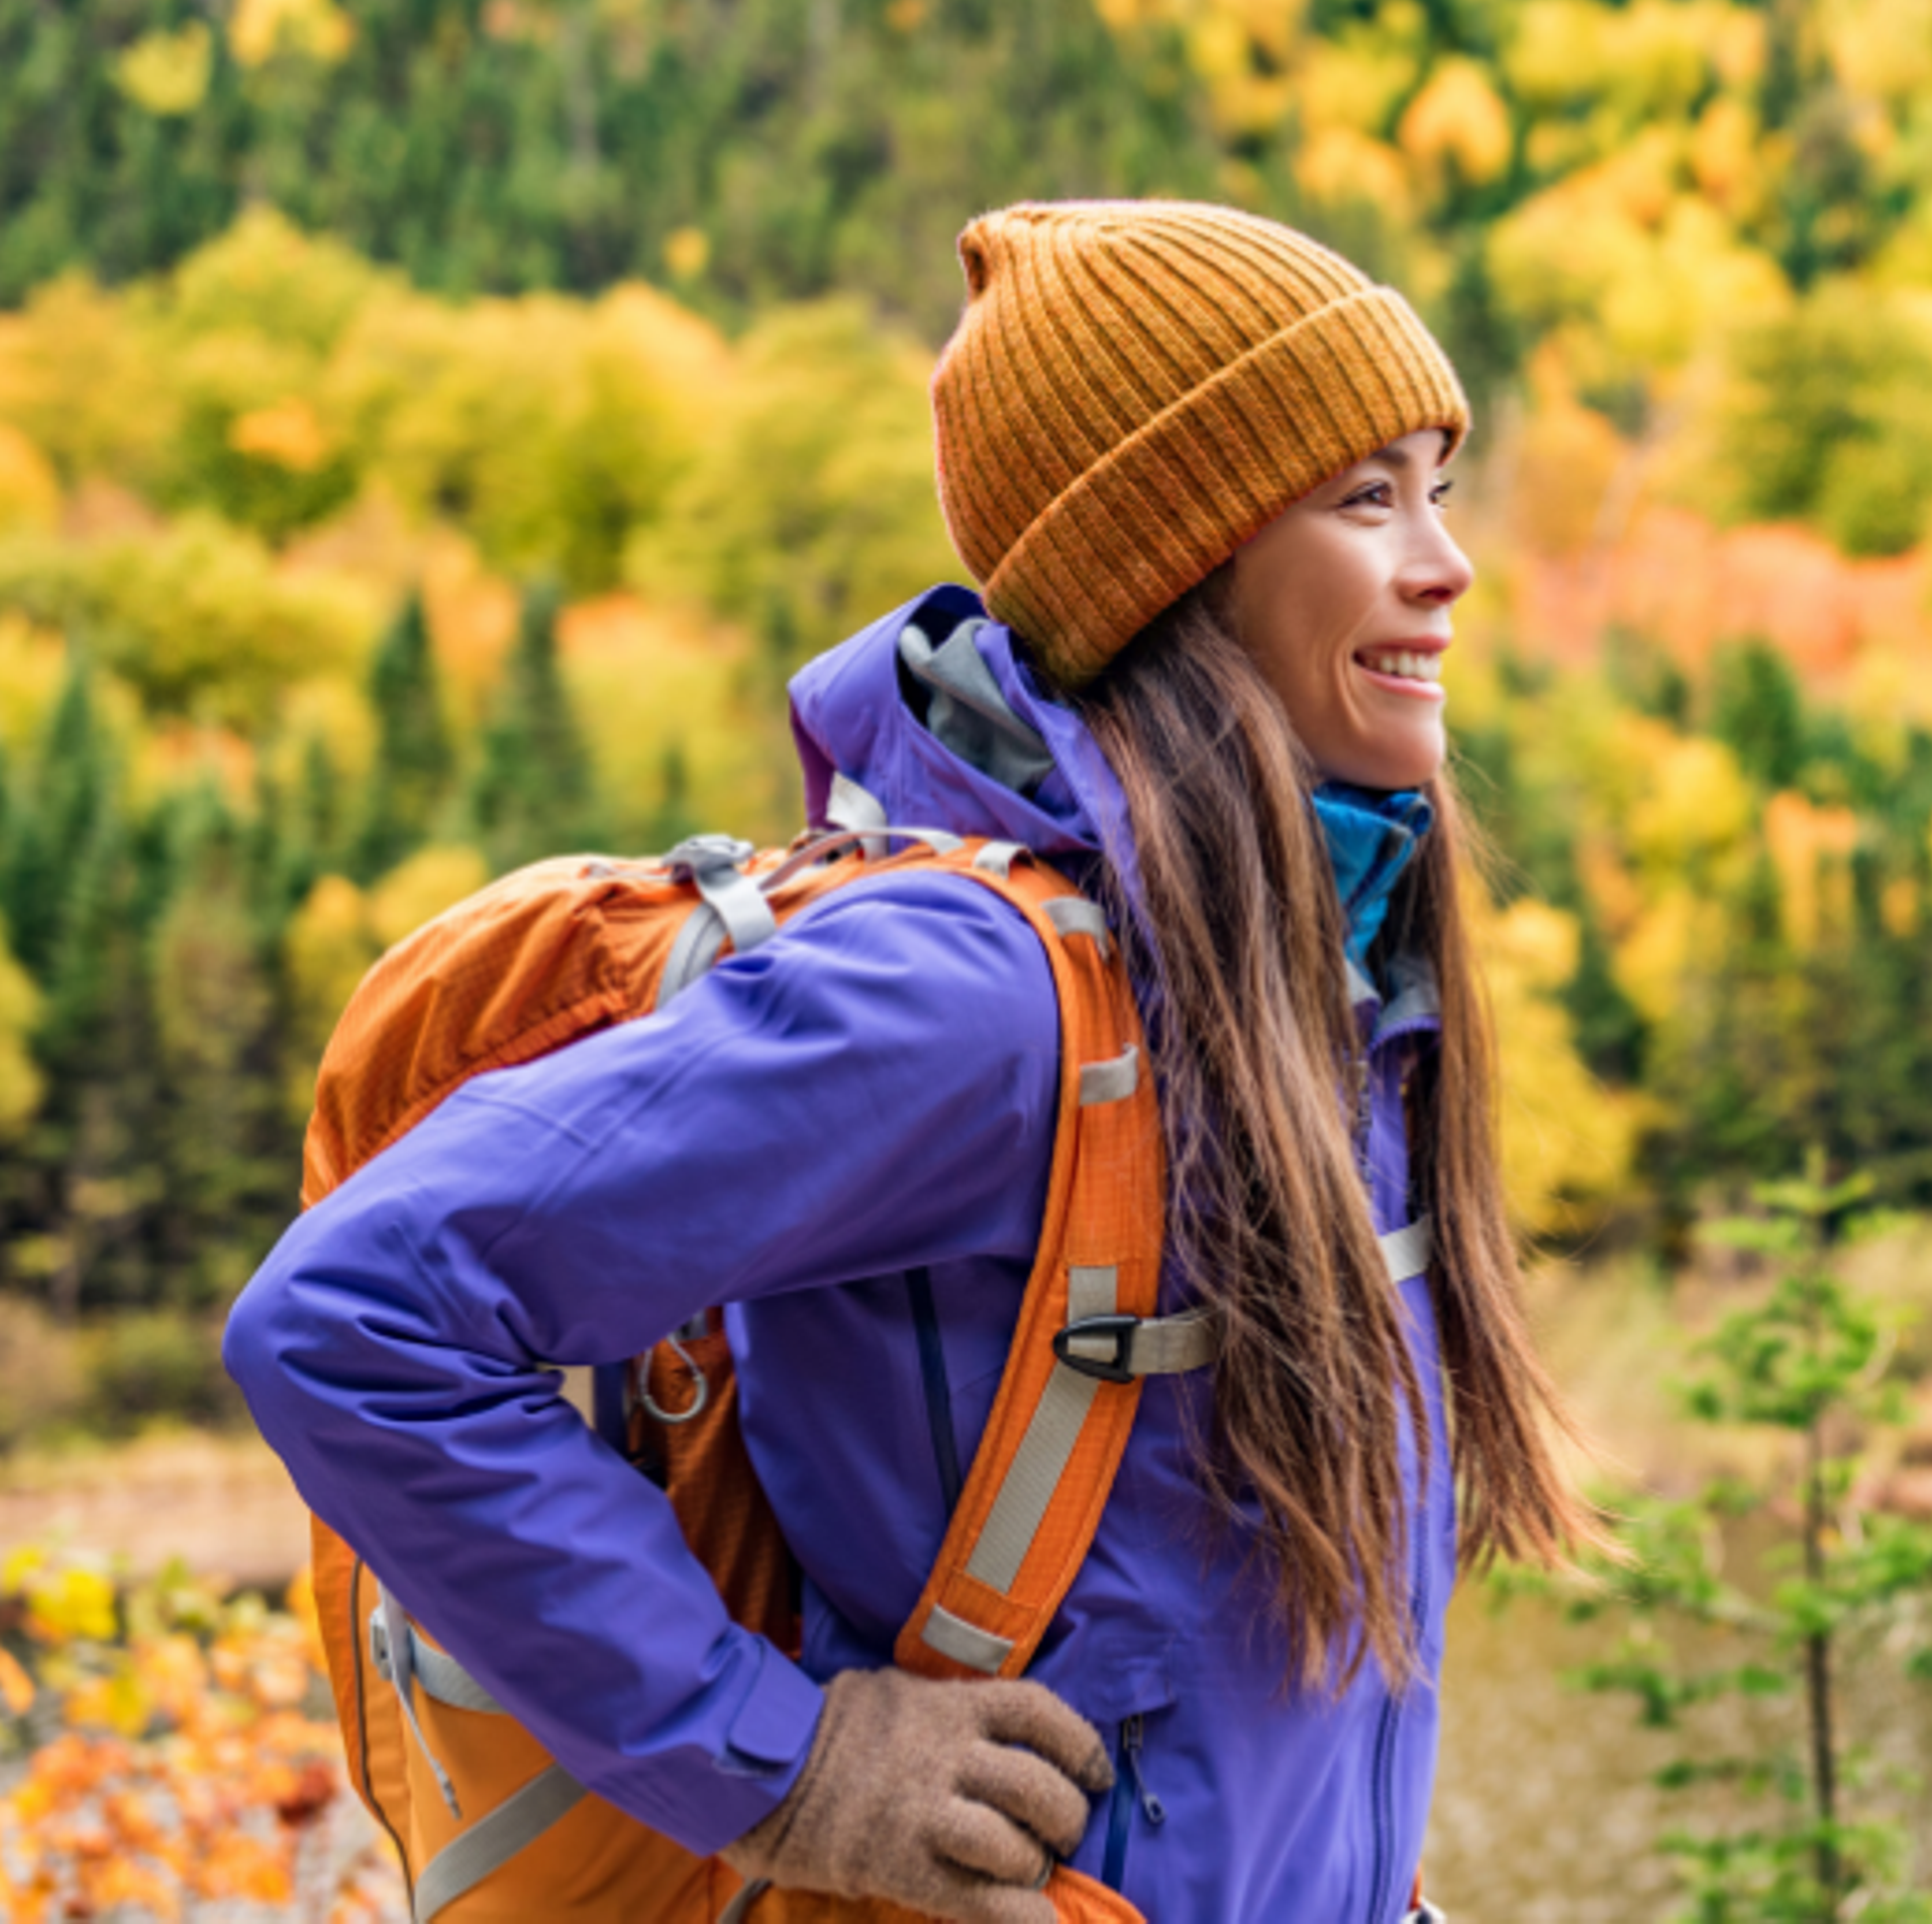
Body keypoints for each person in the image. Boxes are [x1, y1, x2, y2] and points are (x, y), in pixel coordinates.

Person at [226, 201, 1598, 1923]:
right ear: (1174, 559)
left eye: (1438, 488)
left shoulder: (1316, 980)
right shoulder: (972, 998)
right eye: (1362, 498)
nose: (1444, 562)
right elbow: (348, 1319)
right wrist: (788, 1770)